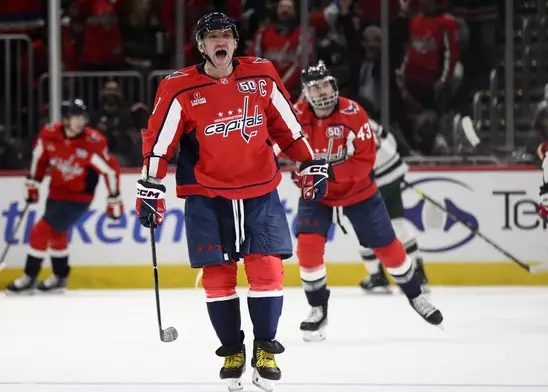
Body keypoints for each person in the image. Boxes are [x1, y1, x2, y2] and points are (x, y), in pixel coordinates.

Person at [135, 12, 328, 392]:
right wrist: (150, 187)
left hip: (259, 188)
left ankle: (265, 349)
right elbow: (160, 142)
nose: (220, 41)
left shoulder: (262, 74)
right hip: (207, 195)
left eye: (226, 35)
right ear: (201, 45)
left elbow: (286, 125)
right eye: (212, 36)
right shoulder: (178, 87)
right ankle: (232, 352)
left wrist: (308, 161)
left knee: (268, 270)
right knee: (218, 277)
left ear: (235, 43)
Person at [292, 61, 442, 342]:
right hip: (317, 194)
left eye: (326, 84)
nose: (322, 91)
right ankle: (317, 309)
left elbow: (363, 163)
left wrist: (324, 170)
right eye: (315, 87)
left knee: (389, 249)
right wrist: (297, 170)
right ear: (306, 93)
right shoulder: (296, 114)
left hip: (359, 192)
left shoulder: (353, 112)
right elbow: (279, 147)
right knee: (308, 248)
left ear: (334, 85)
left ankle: (415, 296)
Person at [6, 99, 124, 295]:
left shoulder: (92, 142)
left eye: (82, 117)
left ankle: (29, 277)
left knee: (39, 232)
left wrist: (114, 199)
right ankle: (60, 277)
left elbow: (110, 170)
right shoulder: (49, 135)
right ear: (65, 119)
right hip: (56, 193)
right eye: (75, 117)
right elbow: (39, 158)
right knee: (57, 235)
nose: (80, 121)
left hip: (79, 198)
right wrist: (33, 183)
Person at [358, 118, 430, 294]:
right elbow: (387, 136)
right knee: (396, 224)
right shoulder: (357, 112)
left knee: (363, 227)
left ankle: (377, 276)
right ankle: (418, 273)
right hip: (393, 167)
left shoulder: (332, 125)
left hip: (375, 179)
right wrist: (389, 160)